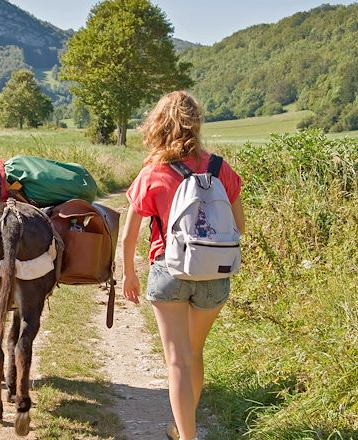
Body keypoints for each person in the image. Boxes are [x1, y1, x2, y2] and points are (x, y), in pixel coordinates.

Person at [120, 91, 246, 440]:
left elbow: (129, 233)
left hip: (169, 270)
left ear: (157, 126)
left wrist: (129, 272)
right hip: (214, 274)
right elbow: (239, 227)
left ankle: (186, 435)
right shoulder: (221, 168)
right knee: (194, 353)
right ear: (197, 123)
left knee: (176, 360)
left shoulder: (152, 173)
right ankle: (182, 424)